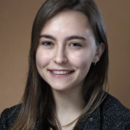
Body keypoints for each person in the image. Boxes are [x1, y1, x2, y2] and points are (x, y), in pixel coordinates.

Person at [0, 0, 130, 130]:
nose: (59, 58)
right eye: (48, 43)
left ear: (97, 52)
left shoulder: (123, 123)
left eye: (74, 44)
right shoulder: (9, 121)